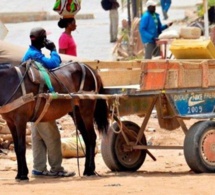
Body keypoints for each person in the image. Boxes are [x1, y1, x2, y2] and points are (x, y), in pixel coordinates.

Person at [22, 27, 75, 177]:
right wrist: (53, 49)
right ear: (41, 40)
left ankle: (39, 168)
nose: (46, 41)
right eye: (45, 38)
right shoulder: (35, 56)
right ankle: (56, 168)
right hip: (41, 106)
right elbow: (54, 64)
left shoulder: (28, 54)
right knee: (52, 136)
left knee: (37, 137)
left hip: (33, 107)